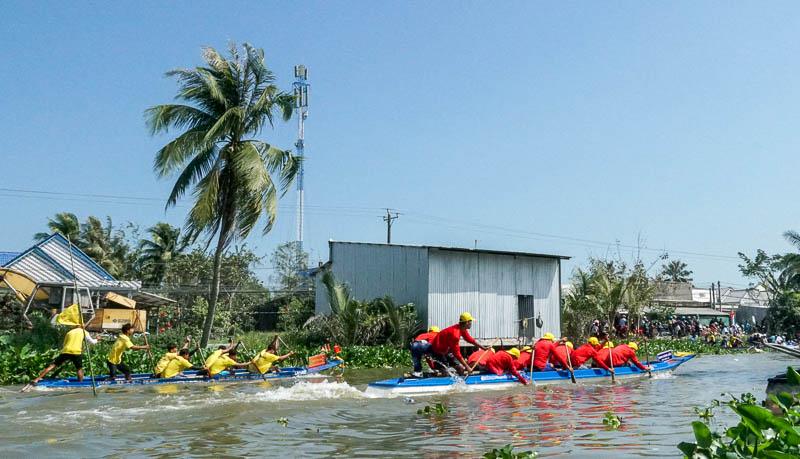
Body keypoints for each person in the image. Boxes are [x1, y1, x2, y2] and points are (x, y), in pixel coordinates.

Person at [411, 312, 488, 378]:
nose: (471, 323)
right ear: (467, 322)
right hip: (437, 352)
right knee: (445, 371)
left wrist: (483, 348)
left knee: (460, 368)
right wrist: (467, 367)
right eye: (471, 321)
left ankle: (462, 383)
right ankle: (445, 383)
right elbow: (457, 353)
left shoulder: (461, 329)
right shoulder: (455, 334)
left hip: (446, 351)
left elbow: (470, 339)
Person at [30, 325, 99, 385]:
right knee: (79, 368)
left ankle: (37, 379)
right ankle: (80, 383)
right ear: (82, 326)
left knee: (53, 366)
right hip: (76, 352)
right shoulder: (84, 332)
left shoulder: (69, 332)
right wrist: (97, 339)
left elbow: (64, 344)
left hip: (66, 351)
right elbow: (92, 342)